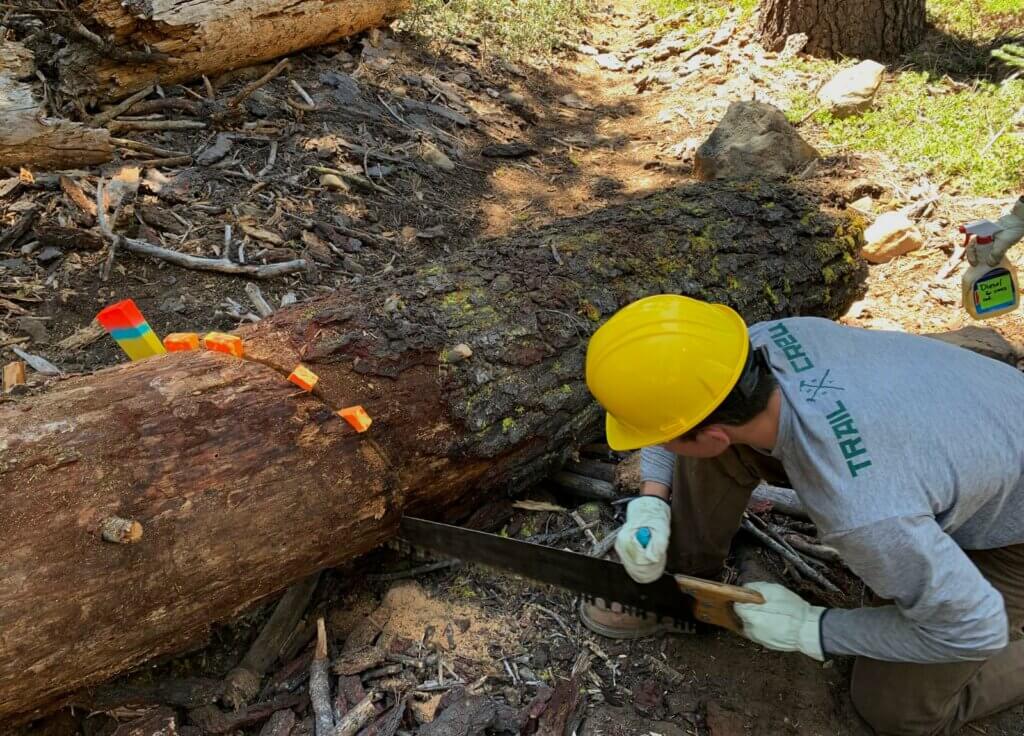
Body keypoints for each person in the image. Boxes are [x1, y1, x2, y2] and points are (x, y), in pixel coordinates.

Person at [583, 294, 1024, 736]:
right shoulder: (764, 345)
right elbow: (684, 418)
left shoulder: (864, 511)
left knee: (895, 709)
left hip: (1011, 539)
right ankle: (684, 584)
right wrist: (653, 500)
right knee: (714, 447)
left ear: (711, 435)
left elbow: (972, 626)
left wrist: (812, 628)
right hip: (978, 438)